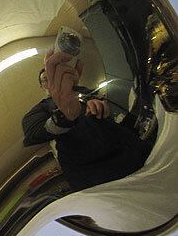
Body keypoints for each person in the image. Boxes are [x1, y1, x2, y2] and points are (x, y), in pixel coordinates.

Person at [22, 48, 151, 191]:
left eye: (54, 76)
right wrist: (65, 116)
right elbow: (33, 134)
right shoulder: (40, 109)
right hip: (93, 176)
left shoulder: (83, 91)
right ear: (41, 86)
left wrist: (102, 106)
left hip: (131, 152)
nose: (52, 80)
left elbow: (108, 106)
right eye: (45, 79)